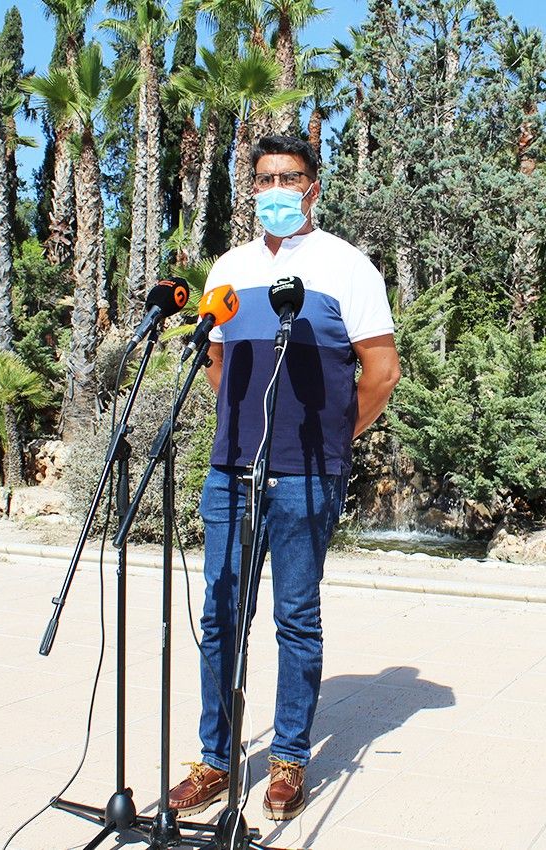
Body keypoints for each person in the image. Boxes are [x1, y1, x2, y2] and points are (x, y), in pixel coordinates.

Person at [168, 135, 401, 821]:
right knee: (220, 617)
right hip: (231, 472)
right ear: (252, 188)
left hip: (307, 476)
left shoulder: (347, 266)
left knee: (295, 618)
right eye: (265, 178)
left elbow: (381, 371)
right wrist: (244, 427)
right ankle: (215, 761)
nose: (276, 189)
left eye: (289, 178)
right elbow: (214, 359)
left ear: (313, 188)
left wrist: (331, 437)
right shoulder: (229, 267)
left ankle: (289, 759)